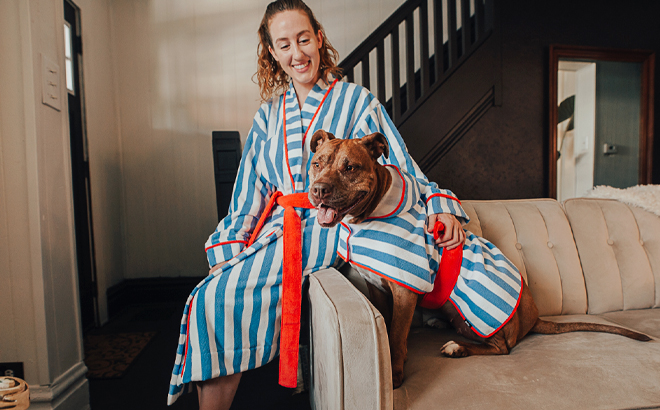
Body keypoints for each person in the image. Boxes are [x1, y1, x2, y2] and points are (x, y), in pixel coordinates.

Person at [167, 0, 469, 408]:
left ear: (319, 38)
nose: (298, 53)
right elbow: (249, 189)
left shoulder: (357, 101)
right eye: (285, 44)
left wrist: (439, 204)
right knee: (212, 289)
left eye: (304, 39)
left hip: (332, 229)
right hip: (277, 226)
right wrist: (231, 245)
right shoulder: (268, 115)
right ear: (272, 52)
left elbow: (401, 164)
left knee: (212, 300)